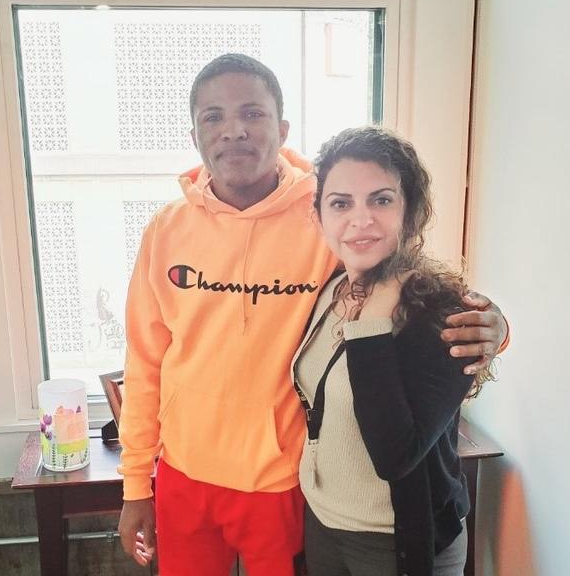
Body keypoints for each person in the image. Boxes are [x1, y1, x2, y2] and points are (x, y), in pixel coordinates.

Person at [117, 54, 507, 576]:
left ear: (282, 129)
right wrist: (136, 485)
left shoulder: (323, 217)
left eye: (252, 113)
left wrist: (494, 323)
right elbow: (145, 363)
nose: (233, 130)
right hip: (184, 473)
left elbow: (410, 279)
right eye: (213, 117)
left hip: (283, 480)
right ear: (195, 136)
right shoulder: (165, 230)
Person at [293, 126, 489, 576]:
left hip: (394, 540)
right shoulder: (331, 289)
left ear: (410, 211)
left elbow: (395, 455)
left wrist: (373, 323)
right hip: (323, 520)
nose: (360, 219)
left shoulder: (443, 315)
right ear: (319, 216)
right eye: (340, 203)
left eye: (380, 200)